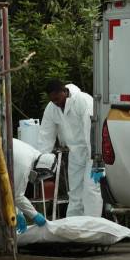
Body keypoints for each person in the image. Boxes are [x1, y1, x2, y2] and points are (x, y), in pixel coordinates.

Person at [38, 80, 102, 217]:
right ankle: (74, 226)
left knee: (91, 189)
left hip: (93, 152)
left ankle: (92, 225)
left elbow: (92, 131)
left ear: (64, 91)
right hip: (75, 153)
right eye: (52, 100)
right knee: (74, 192)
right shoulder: (52, 107)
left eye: (57, 98)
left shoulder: (83, 100)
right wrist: (42, 162)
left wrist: (97, 160)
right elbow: (46, 134)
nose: (56, 103)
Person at [12, 138, 51, 233]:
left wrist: (17, 211)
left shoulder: (32, 154)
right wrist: (35, 215)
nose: (39, 178)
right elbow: (16, 196)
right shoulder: (25, 165)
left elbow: (11, 189)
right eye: (41, 174)